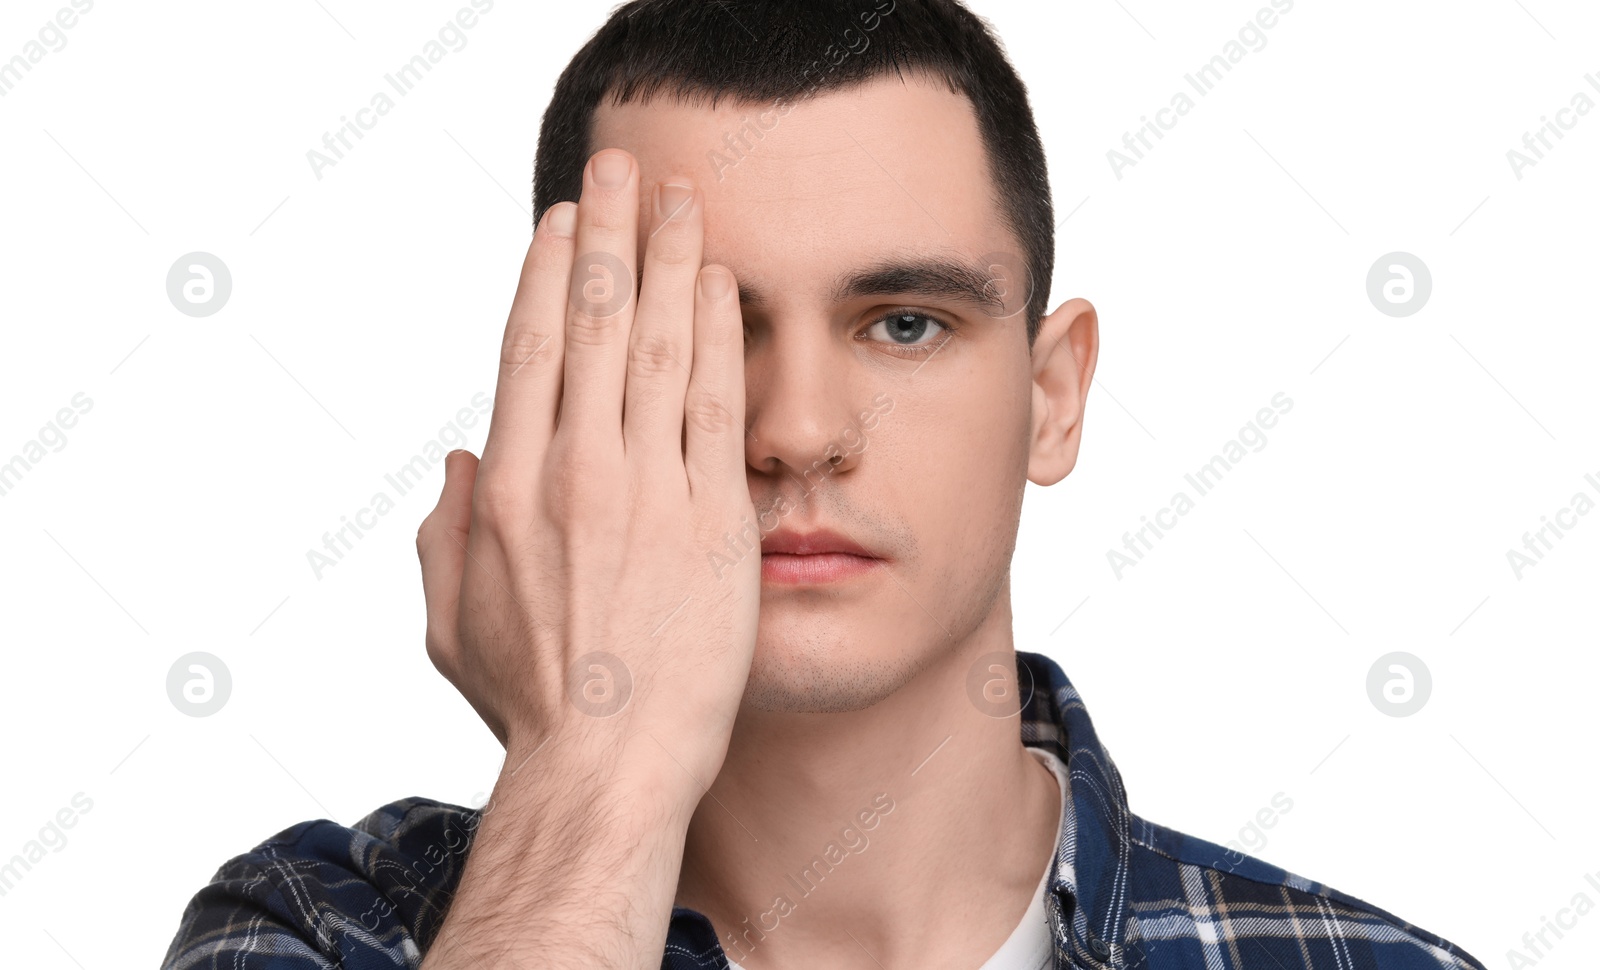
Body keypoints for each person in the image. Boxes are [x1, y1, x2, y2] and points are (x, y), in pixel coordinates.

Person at [161, 1, 1488, 967]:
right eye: (713, 323)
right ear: (563, 391)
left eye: (905, 322)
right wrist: (590, 769)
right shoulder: (321, 931)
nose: (798, 430)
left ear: (1053, 392)